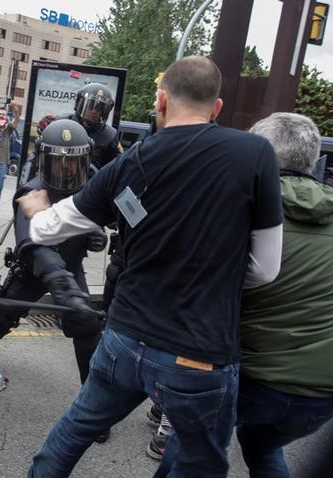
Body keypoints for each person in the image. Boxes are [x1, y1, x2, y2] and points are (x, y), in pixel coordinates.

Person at [20, 56, 283, 477]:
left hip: (124, 338)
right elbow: (265, 269)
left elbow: (50, 228)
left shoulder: (131, 161)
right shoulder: (255, 155)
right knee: (198, 463)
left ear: (161, 101)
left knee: (73, 432)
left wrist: (36, 210)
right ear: (216, 108)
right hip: (199, 352)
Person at [0, 119, 107, 394]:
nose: (66, 168)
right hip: (33, 274)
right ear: (44, 160)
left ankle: (94, 403)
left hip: (71, 271)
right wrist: (63, 287)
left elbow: (99, 219)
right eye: (59, 161)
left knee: (86, 327)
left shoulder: (89, 188)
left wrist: (97, 235)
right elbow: (34, 244)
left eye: (72, 162)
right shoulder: (32, 192)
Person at [235, 113, 333, 477]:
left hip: (255, 376)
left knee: (193, 445)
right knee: (262, 447)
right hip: (322, 395)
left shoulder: (244, 208)